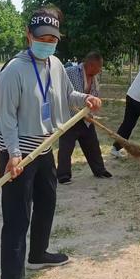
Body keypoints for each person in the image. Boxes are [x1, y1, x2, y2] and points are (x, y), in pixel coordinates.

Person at [0, 6, 102, 279]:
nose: (47, 42)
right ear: (28, 36)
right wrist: (14, 155)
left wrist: (86, 99)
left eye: (53, 38)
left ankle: (38, 253)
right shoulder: (13, 70)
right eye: (41, 37)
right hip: (17, 152)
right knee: (17, 219)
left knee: (47, 202)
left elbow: (68, 96)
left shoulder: (55, 65)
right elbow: (6, 119)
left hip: (44, 146)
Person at [57, 51, 112, 184]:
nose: (100, 70)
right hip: (69, 117)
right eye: (99, 67)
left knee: (92, 144)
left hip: (86, 118)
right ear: (92, 65)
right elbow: (61, 91)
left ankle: (99, 170)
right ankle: (63, 175)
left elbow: (94, 96)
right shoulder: (70, 72)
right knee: (66, 147)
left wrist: (91, 111)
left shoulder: (94, 79)